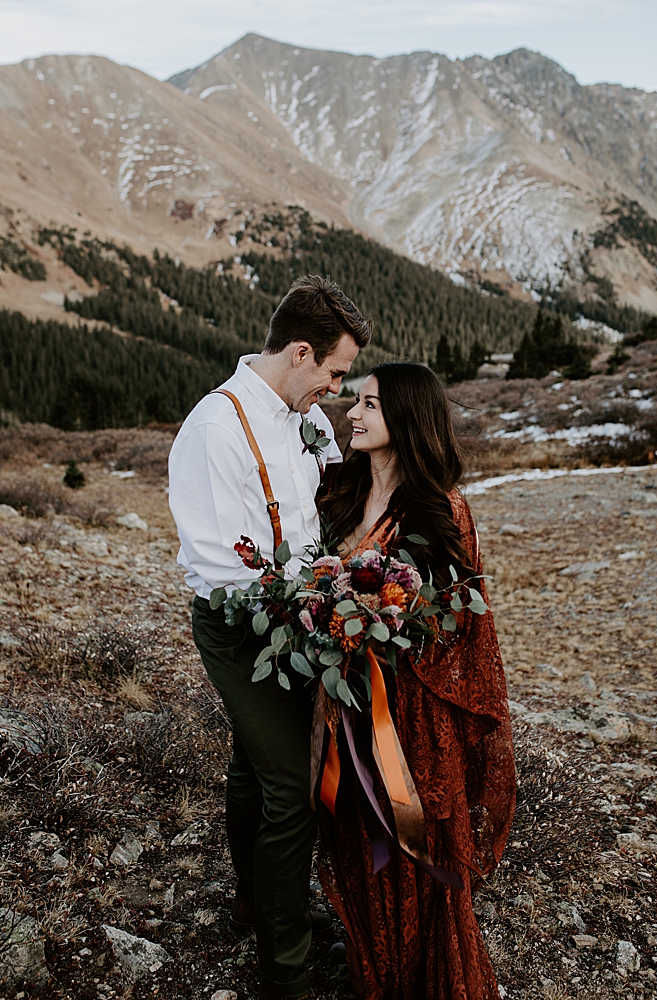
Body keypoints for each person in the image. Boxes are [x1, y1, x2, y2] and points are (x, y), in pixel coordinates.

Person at [169, 275, 368, 999]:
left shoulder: (302, 412)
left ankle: (258, 902)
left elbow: (322, 505)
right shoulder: (216, 430)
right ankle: (284, 970)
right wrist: (318, 599)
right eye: (335, 373)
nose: (337, 391)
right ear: (300, 352)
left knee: (255, 769)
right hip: (238, 626)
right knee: (292, 787)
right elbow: (225, 568)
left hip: (299, 617)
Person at [313, 361, 516, 998]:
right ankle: (377, 966)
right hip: (342, 698)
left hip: (411, 710)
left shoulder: (441, 506)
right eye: (357, 402)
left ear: (404, 420)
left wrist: (389, 625)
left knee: (411, 837)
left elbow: (460, 619)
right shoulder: (338, 492)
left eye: (369, 405)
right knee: (356, 833)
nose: (353, 412)